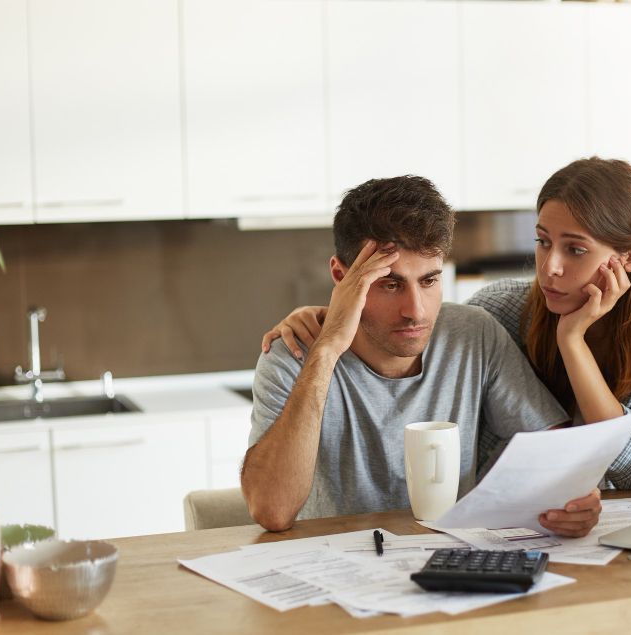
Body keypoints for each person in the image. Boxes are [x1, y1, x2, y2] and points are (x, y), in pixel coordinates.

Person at [263, 157, 631, 490]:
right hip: (516, 518)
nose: (549, 268)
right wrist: (332, 319)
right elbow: (415, 325)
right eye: (542, 242)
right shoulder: (498, 309)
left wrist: (571, 340)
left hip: (607, 514)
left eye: (574, 250)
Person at [241, 175, 602, 536]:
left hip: (451, 562)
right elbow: (272, 511)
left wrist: (574, 499)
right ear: (341, 276)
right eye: (390, 284)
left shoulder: (474, 334)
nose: (415, 310)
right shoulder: (292, 354)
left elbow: (556, 455)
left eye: (429, 281)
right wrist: (327, 349)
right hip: (335, 568)